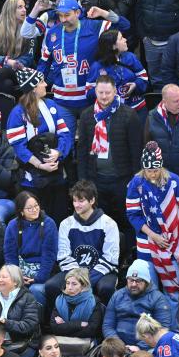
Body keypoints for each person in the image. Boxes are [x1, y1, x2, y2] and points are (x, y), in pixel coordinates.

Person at [37, 0, 130, 136]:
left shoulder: (93, 27)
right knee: (65, 143)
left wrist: (103, 13)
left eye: (67, 15)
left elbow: (125, 25)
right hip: (62, 100)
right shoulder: (52, 33)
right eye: (60, 15)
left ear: (78, 13)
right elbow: (44, 63)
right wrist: (36, 83)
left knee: (92, 145)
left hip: (89, 99)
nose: (63, 20)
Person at [126, 141, 179, 331]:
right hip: (147, 244)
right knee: (150, 293)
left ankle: (173, 333)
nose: (152, 174)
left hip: (171, 243)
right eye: (148, 170)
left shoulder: (174, 181)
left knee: (172, 293)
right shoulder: (135, 184)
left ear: (161, 166)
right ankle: (152, 334)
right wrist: (153, 235)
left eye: (155, 170)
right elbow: (133, 215)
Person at [77, 76, 142, 249]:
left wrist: (136, 180)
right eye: (100, 92)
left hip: (123, 180)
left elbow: (136, 151)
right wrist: (83, 181)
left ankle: (129, 255)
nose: (104, 96)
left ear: (115, 91)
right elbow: (82, 151)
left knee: (127, 220)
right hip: (96, 179)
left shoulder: (129, 114)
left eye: (108, 92)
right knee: (100, 223)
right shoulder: (86, 115)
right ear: (95, 92)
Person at [6, 68, 73, 224]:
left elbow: (65, 134)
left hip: (56, 173)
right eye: (42, 82)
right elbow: (18, 146)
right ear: (33, 88)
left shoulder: (51, 105)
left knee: (59, 217)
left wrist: (58, 152)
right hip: (31, 180)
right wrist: (40, 165)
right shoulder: (17, 113)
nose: (46, 84)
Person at [46, 180, 119, 307]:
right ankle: (55, 322)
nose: (76, 205)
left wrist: (85, 281)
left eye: (81, 201)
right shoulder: (66, 224)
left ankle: (105, 324)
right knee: (51, 286)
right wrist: (76, 279)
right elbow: (63, 255)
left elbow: (110, 258)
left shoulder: (109, 223)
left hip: (102, 272)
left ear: (92, 201)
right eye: (74, 201)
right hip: (73, 272)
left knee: (106, 288)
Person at [102, 259, 172, 351]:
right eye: (131, 280)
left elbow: (162, 329)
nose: (134, 284)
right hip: (117, 346)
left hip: (147, 346)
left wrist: (140, 347)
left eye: (138, 281)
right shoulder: (117, 295)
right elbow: (108, 325)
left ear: (146, 282)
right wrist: (118, 345)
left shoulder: (158, 298)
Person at [4, 192, 59, 307]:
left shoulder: (49, 224)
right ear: (21, 211)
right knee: (7, 285)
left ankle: (40, 322)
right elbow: (10, 254)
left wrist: (39, 278)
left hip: (43, 270)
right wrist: (17, 276)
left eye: (36, 205)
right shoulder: (13, 225)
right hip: (21, 269)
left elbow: (49, 254)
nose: (34, 210)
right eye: (29, 208)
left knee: (35, 289)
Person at [87, 30, 148, 124]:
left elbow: (144, 79)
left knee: (139, 138)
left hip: (137, 109)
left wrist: (135, 85)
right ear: (113, 46)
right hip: (112, 113)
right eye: (121, 38)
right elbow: (88, 92)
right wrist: (109, 92)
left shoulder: (130, 57)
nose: (125, 40)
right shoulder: (97, 66)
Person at [0, 0, 35, 96]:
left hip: (20, 72)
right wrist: (4, 61)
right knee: (6, 84)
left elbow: (28, 59)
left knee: (2, 75)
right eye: (20, 7)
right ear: (10, 10)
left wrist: (3, 66)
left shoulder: (29, 31)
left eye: (24, 7)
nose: (24, 10)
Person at [50, 268, 104, 340]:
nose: (69, 287)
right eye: (67, 283)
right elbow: (55, 328)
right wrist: (79, 324)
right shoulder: (59, 300)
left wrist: (65, 326)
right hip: (62, 343)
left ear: (83, 285)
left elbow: (91, 330)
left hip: (85, 345)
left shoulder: (94, 302)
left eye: (74, 284)